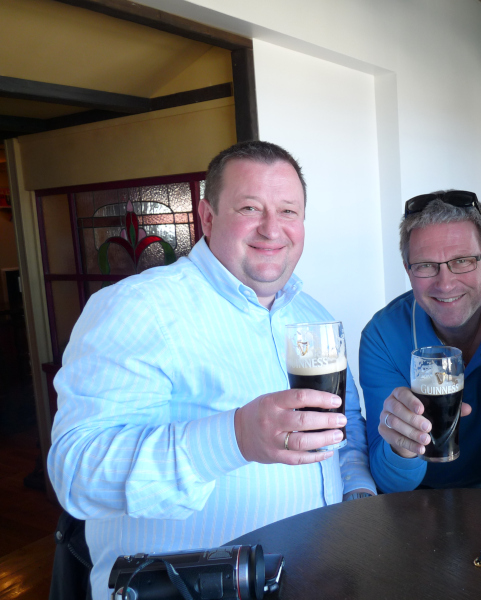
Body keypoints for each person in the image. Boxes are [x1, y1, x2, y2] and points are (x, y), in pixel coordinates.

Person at [47, 141, 376, 599]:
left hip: (314, 577)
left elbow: (344, 430)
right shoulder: (138, 308)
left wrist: (357, 492)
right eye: (249, 207)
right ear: (206, 216)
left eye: (288, 211)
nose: (271, 228)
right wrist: (233, 438)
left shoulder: (311, 314)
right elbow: (76, 473)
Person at [359, 190, 481, 492]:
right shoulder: (382, 335)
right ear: (409, 271)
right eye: (426, 266)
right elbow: (391, 483)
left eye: (462, 261)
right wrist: (403, 445)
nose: (445, 283)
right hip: (417, 499)